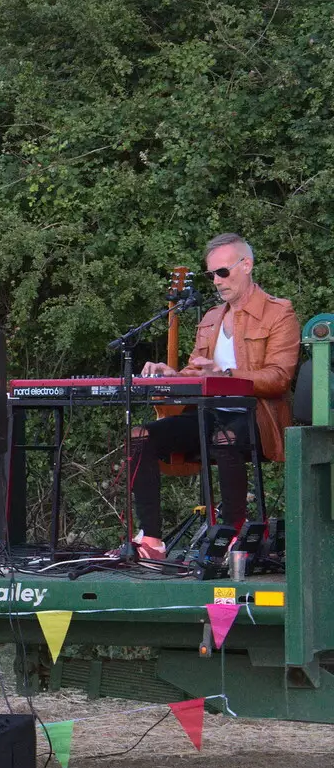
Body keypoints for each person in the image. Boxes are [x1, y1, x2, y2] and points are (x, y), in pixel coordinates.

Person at [129, 233, 300, 559]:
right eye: (211, 275)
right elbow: (197, 372)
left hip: (256, 416)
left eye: (223, 272)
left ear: (246, 265)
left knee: (224, 437)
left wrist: (224, 375)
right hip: (208, 414)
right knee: (140, 436)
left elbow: (279, 378)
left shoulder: (280, 313)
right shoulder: (210, 318)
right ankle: (151, 539)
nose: (217, 282)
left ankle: (234, 530)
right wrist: (171, 374)